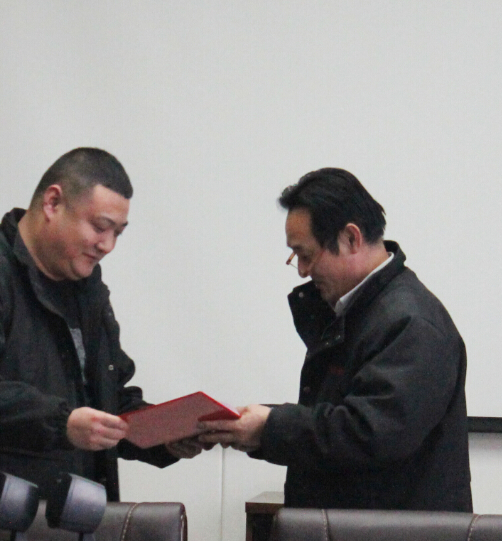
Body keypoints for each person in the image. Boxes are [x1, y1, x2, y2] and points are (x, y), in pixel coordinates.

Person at [0, 148, 202, 541]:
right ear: (53, 203)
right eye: (100, 227)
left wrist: (164, 437)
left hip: (65, 536)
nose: (107, 245)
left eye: (118, 233)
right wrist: (62, 423)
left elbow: (108, 401)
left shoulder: (87, 290)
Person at [200, 168, 472, 512]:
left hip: (391, 540)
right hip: (359, 533)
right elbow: (336, 419)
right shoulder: (359, 311)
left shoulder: (411, 323)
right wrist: (263, 428)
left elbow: (369, 434)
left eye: (306, 254)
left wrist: (269, 428)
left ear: (351, 238)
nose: (302, 270)